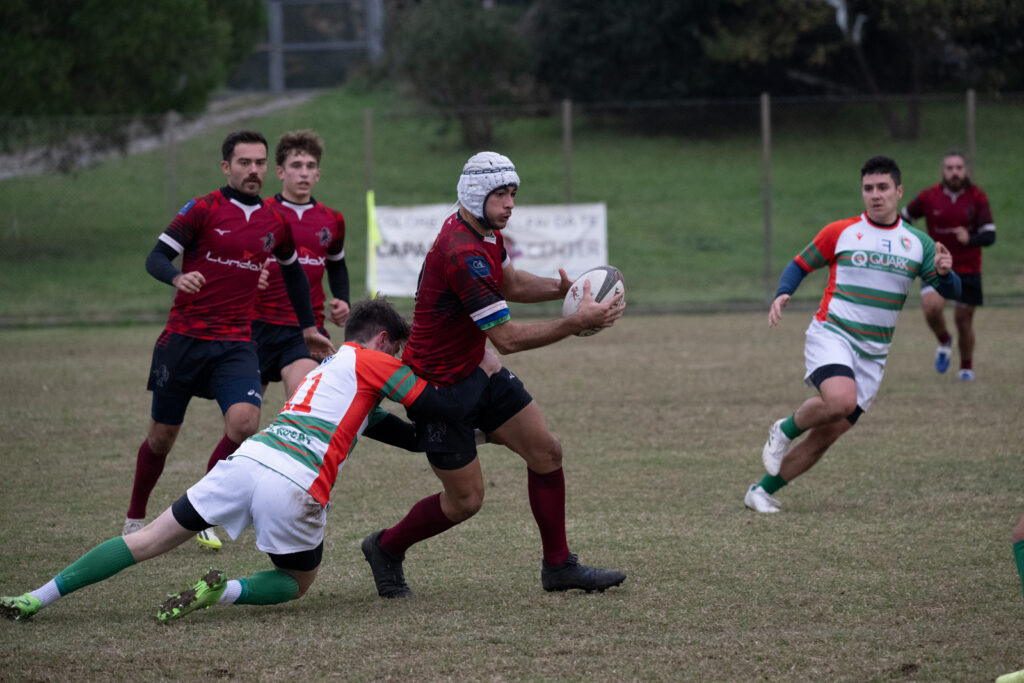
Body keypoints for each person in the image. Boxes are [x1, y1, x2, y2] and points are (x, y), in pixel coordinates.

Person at [0, 299, 502, 623]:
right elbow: (443, 408)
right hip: (296, 482)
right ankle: (220, 593)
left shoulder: (326, 375)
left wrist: (483, 438)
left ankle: (36, 597)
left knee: (147, 539)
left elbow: (413, 439)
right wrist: (483, 371)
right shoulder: (376, 362)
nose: (401, 358)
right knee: (296, 582)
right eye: (398, 348)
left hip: (249, 460)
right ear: (381, 342)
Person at [359, 151, 627, 598]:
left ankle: (559, 567)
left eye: (513, 193)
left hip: (478, 371)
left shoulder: (481, 231)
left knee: (546, 453)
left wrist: (564, 290)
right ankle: (385, 547)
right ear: (475, 195)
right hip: (437, 391)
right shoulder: (462, 251)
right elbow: (508, 339)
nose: (510, 203)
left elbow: (512, 284)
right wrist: (573, 322)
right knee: (465, 502)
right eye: (500, 194)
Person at [121, 130, 335, 551]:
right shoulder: (203, 208)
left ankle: (203, 508)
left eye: (258, 162)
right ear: (227, 166)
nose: (253, 170)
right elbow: (155, 257)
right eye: (244, 162)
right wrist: (177, 277)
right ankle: (135, 518)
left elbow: (293, 273)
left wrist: (308, 326)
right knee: (162, 437)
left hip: (237, 343)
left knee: (244, 423)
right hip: (183, 340)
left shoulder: (277, 221)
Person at [744, 155, 961, 514]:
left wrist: (945, 272)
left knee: (830, 431)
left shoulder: (918, 244)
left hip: (874, 355)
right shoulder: (842, 232)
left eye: (883, 188)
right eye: (868, 188)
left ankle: (760, 491)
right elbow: (800, 264)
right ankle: (783, 429)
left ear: (898, 191)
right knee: (841, 401)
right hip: (833, 334)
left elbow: (950, 291)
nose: (875, 195)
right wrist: (784, 292)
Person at [254, 130, 351, 401]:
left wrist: (343, 299)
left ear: (318, 174)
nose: (304, 173)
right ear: (280, 172)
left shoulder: (332, 220)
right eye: (296, 166)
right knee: (242, 424)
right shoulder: (261, 213)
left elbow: (337, 265)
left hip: (305, 330)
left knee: (302, 407)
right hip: (256, 326)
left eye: (310, 167)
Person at [901, 150, 996, 381]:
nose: (954, 172)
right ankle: (944, 341)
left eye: (959, 168)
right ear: (942, 172)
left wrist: (970, 238)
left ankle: (966, 368)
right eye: (950, 168)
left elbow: (990, 235)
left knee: (963, 321)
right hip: (938, 264)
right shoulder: (928, 197)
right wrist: (915, 244)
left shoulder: (977, 197)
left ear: (966, 171)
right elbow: (903, 219)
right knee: (931, 307)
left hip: (968, 267)